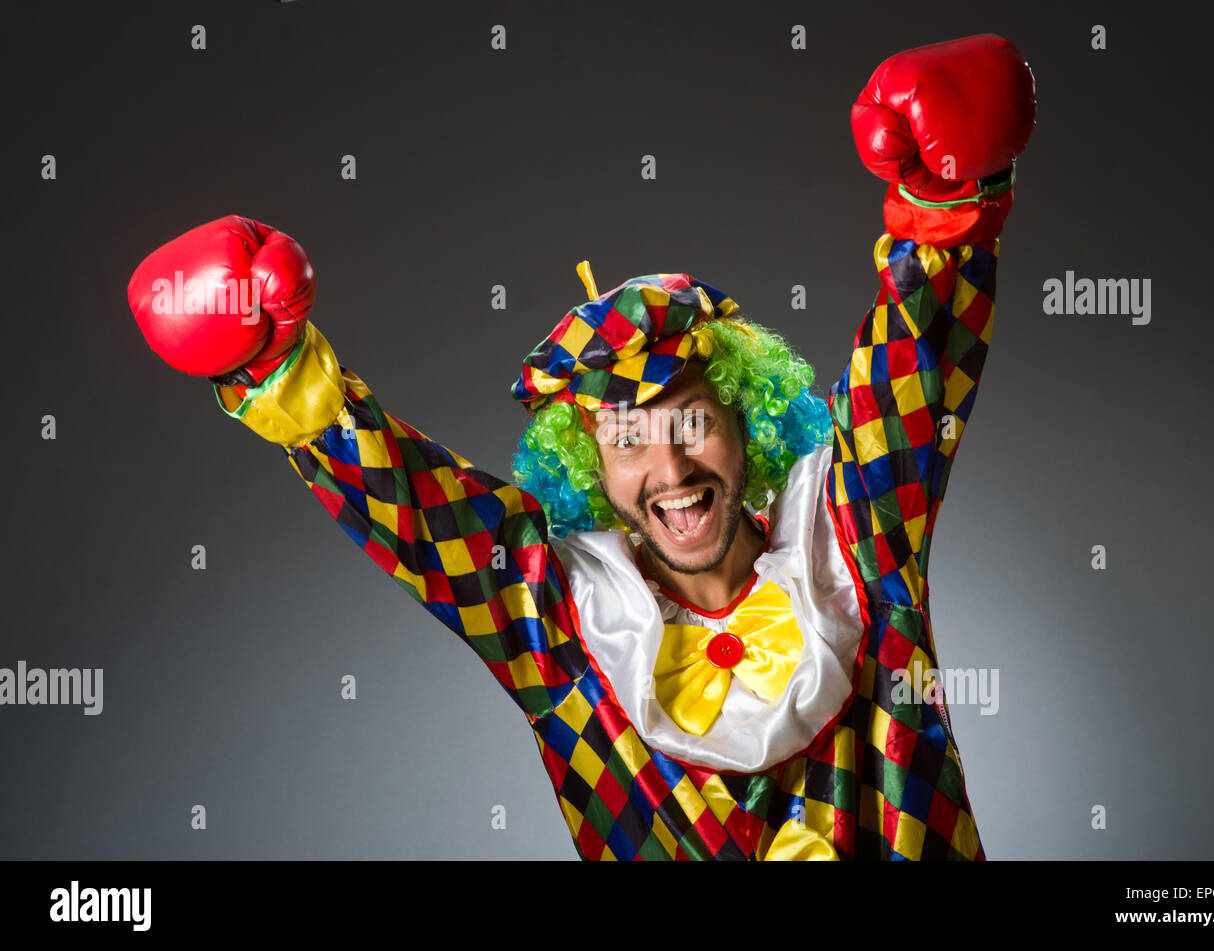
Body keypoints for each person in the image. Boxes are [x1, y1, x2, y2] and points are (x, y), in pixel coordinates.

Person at [126, 33, 1036, 860]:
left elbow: (909, 389)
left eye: (689, 420)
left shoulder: (852, 539)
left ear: (743, 420)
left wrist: (943, 217)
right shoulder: (566, 627)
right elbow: (416, 508)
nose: (670, 468)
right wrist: (285, 375)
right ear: (590, 467)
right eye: (626, 438)